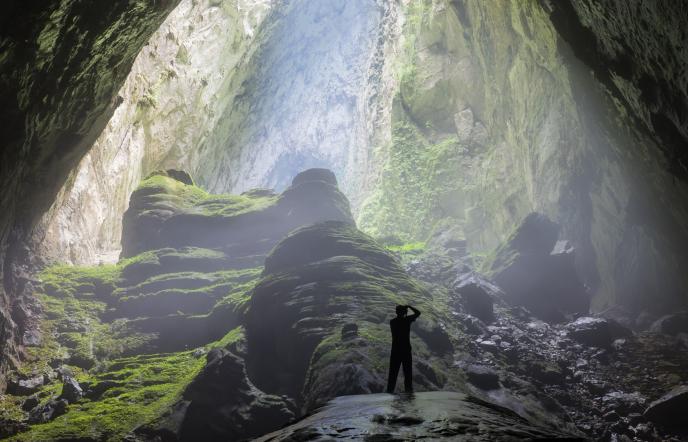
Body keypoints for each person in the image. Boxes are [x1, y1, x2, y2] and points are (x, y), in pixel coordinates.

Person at [386, 304, 420, 393]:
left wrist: (405, 309)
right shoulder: (407, 320)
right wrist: (409, 306)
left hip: (395, 351)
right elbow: (418, 313)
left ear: (396, 312)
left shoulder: (392, 322)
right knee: (408, 374)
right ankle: (409, 393)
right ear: (405, 312)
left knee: (393, 374)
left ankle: (389, 392)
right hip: (406, 351)